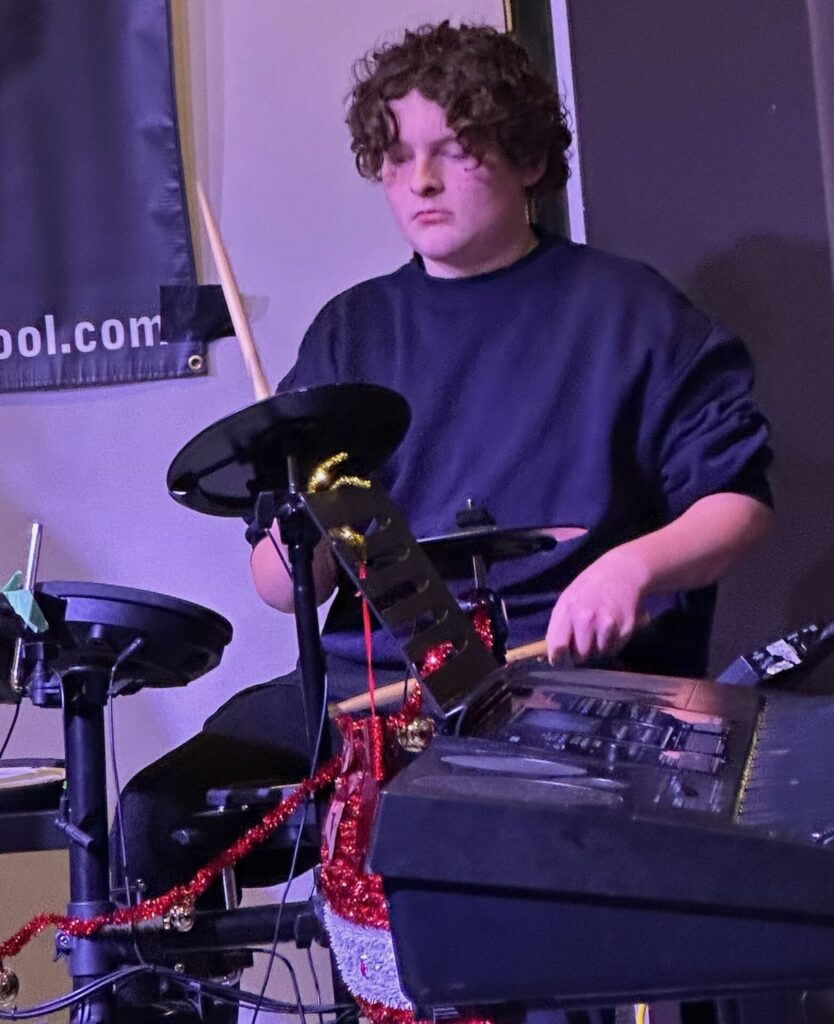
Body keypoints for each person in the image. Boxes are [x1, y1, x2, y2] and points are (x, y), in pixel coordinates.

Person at [117, 20, 772, 1024]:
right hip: (363, 688)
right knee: (154, 815)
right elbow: (280, 583)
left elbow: (737, 501)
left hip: (549, 684)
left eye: (453, 149)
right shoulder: (353, 329)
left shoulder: (633, 315)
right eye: (394, 154)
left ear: (527, 157)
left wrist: (633, 566)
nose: (417, 180)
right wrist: (301, 538)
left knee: (471, 840)